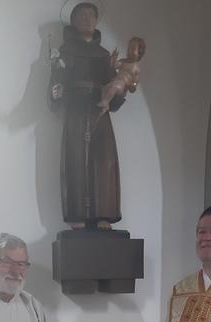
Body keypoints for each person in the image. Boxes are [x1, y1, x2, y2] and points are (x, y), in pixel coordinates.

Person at [49, 2, 125, 230]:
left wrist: (119, 88)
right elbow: (56, 83)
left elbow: (115, 91)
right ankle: (77, 214)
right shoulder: (65, 52)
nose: (87, 19)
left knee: (103, 160)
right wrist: (56, 93)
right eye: (82, 15)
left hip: (99, 110)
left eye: (91, 15)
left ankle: (104, 214)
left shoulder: (104, 55)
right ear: (73, 21)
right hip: (76, 109)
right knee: (75, 159)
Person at [97, 37, 145, 116]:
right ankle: (104, 105)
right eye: (129, 48)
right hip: (114, 82)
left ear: (139, 52)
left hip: (122, 88)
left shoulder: (136, 69)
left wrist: (132, 85)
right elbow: (114, 66)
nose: (129, 51)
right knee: (106, 88)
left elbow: (134, 84)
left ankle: (105, 102)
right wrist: (113, 60)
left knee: (114, 86)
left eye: (133, 49)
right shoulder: (123, 61)